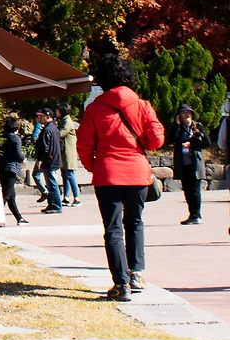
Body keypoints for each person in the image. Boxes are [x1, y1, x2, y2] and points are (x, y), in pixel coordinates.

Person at [78, 51, 164, 301]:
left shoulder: (95, 109)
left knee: (113, 228)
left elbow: (84, 144)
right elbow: (156, 139)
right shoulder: (143, 105)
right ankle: (136, 273)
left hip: (107, 173)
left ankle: (121, 284)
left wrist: (93, 166)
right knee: (135, 222)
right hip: (137, 173)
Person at [171, 104, 210, 226]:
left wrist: (191, 144)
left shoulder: (198, 126)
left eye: (188, 113)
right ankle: (192, 214)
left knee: (195, 190)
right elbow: (173, 138)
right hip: (183, 164)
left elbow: (206, 142)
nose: (186, 115)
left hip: (195, 163)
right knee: (187, 190)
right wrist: (176, 124)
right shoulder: (179, 128)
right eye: (183, 113)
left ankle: (196, 215)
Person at [0, 115, 27, 225]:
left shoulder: (1, 138)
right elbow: (18, 154)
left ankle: (19, 218)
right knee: (6, 195)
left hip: (2, 167)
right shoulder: (15, 138)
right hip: (11, 168)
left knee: (11, 196)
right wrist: (23, 159)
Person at [33, 108, 63, 213]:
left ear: (48, 116)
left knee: (52, 184)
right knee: (51, 184)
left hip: (49, 161)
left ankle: (56, 205)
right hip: (55, 159)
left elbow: (45, 147)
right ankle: (51, 204)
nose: (39, 118)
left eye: (41, 116)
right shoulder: (54, 129)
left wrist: (40, 159)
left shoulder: (47, 130)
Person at [58, 101, 81, 206]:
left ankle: (77, 198)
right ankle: (66, 197)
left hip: (68, 152)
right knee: (64, 175)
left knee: (70, 174)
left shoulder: (67, 121)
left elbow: (61, 133)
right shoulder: (63, 120)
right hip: (64, 151)